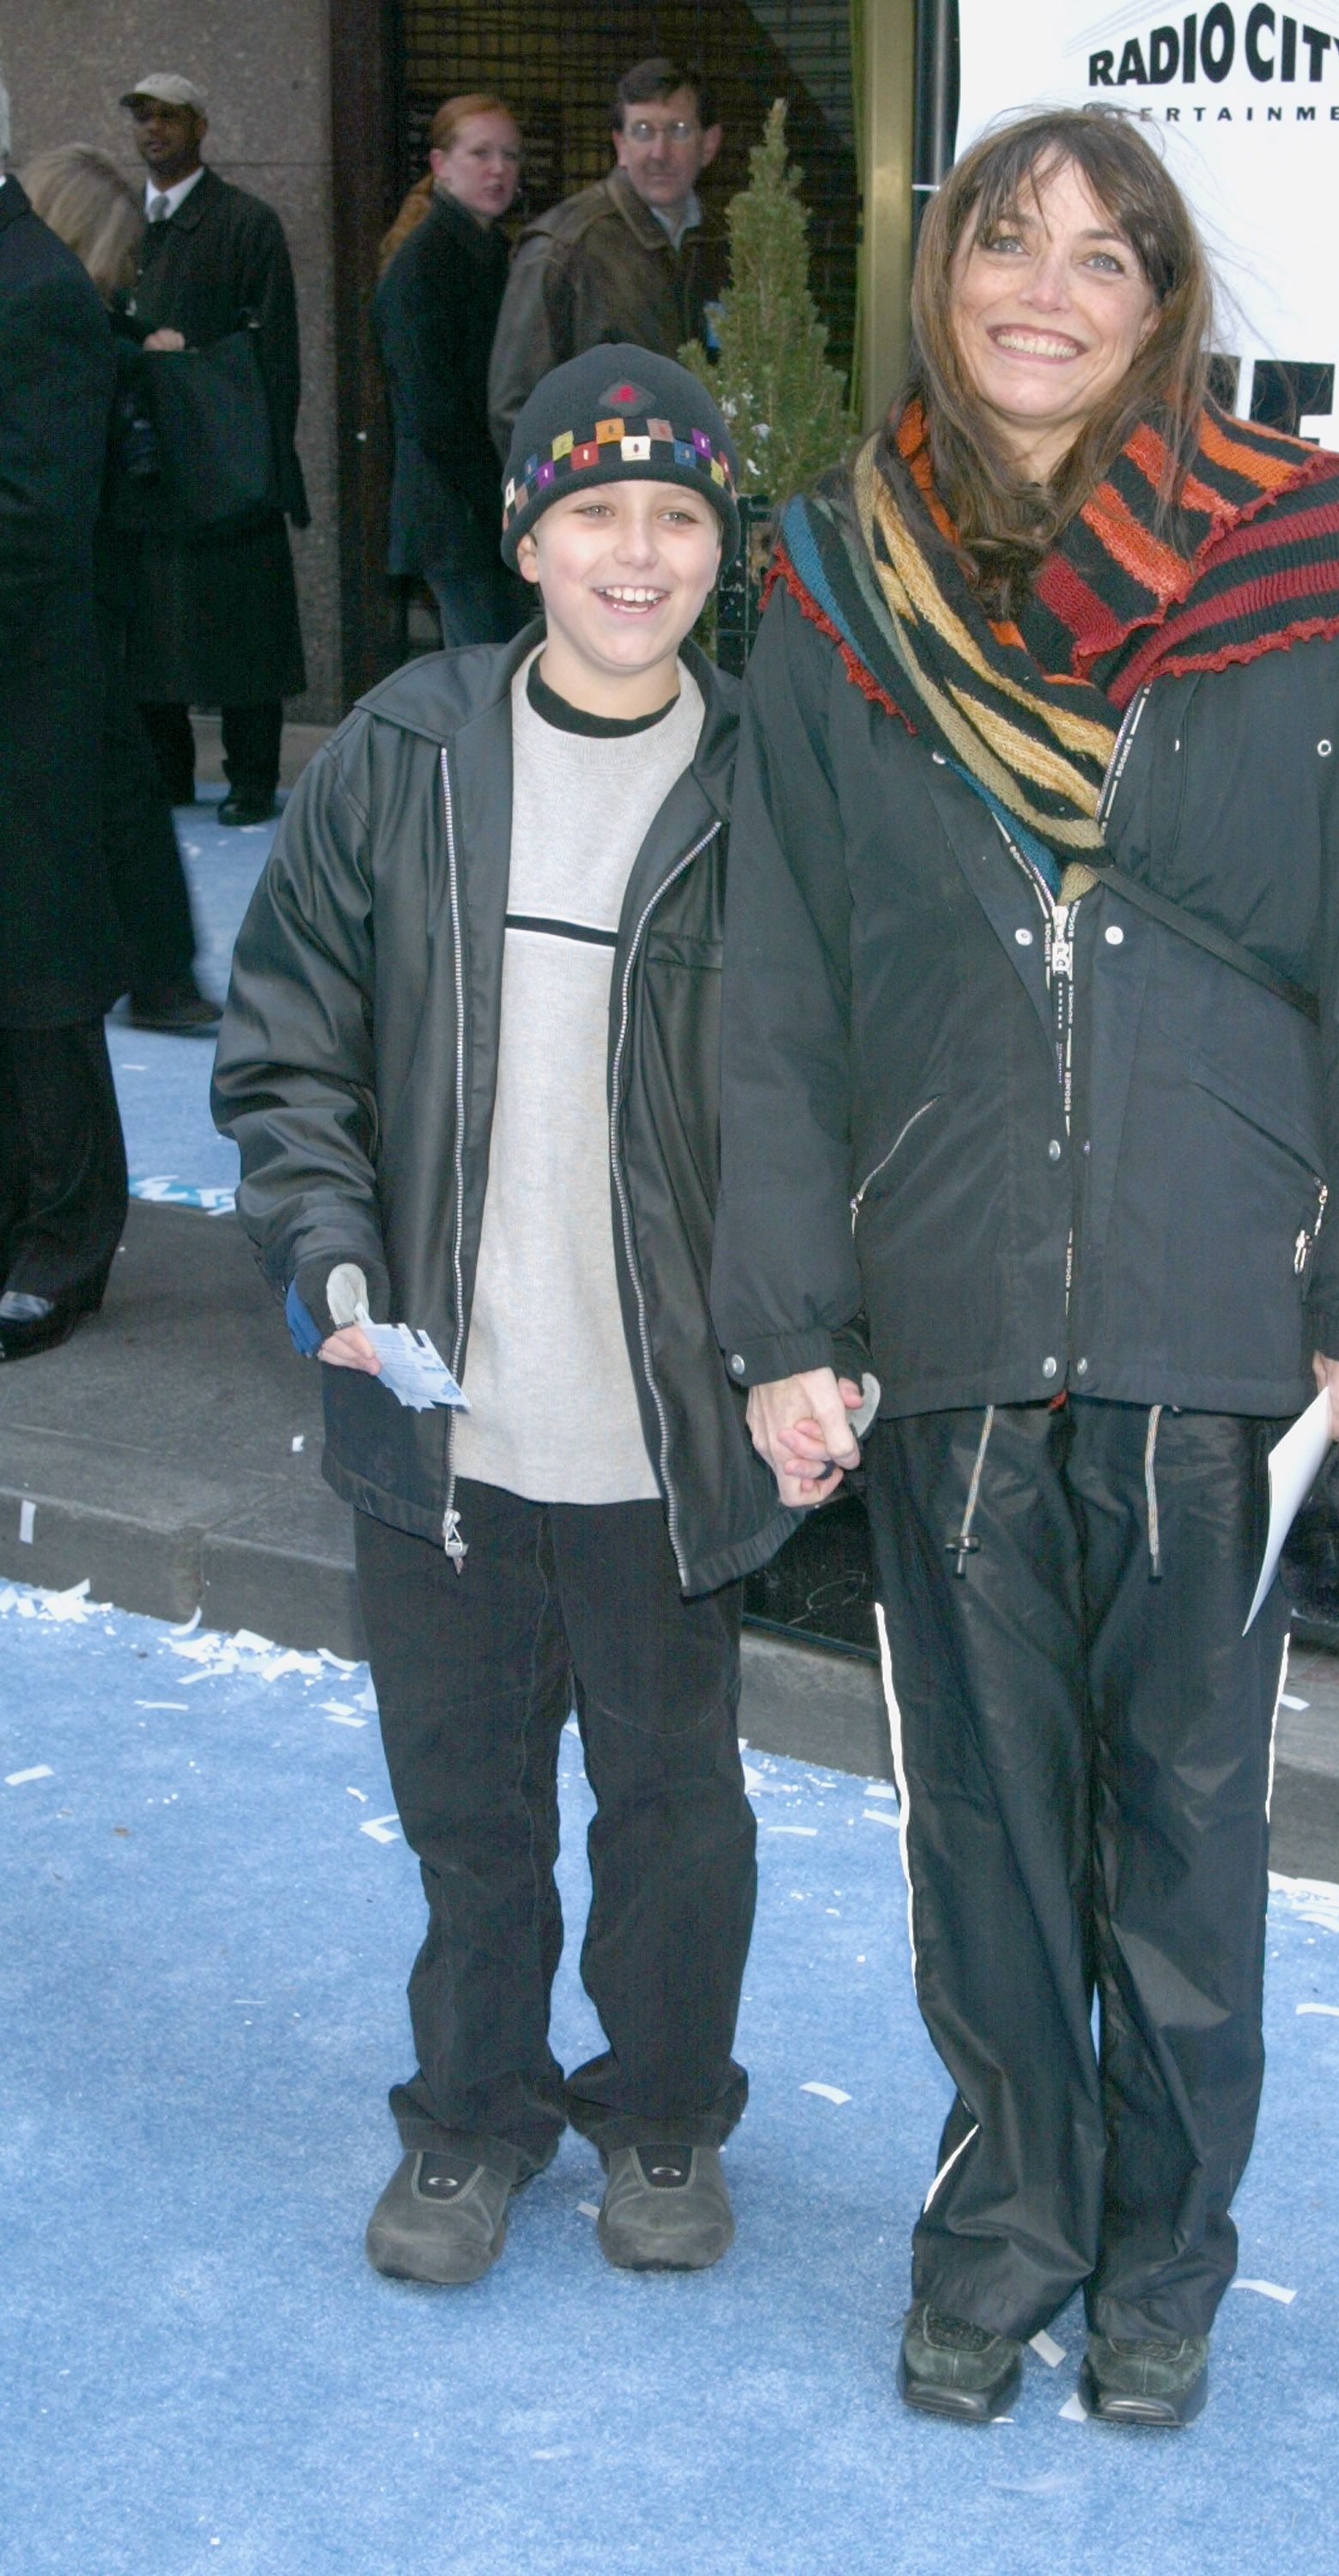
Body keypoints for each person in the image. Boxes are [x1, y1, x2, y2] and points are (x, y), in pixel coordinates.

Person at [710, 109, 1339, 2427]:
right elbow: (774, 985)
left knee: (1179, 1836)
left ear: (1163, 312)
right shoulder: (832, 586)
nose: (1043, 293)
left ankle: (1162, 2258)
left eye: (1104, 260)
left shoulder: (1289, 569)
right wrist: (787, 1319)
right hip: (941, 1315)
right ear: (942, 275)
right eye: (1004, 246)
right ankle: (1007, 2226)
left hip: (1209, 1326)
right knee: (978, 1842)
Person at [212, 347, 794, 2287]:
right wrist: (327, 1252)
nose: (636, 553)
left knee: (670, 1821)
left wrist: (815, 1334)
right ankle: (467, 2118)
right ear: (527, 533)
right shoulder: (407, 748)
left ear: (724, 547)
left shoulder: (778, 785)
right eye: (596, 511)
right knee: (468, 1819)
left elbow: (852, 1103)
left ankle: (660, 2112)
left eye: (679, 515)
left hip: (662, 1438)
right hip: (437, 1423)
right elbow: (288, 1042)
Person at [20, 143, 218, 1034]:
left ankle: (154, 972)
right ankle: (158, 975)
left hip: (71, 605)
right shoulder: (62, 325)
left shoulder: (71, 322)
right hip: (71, 607)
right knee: (116, 793)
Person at [0, 78, 131, 1362]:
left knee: (38, 984)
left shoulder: (36, 287)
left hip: (26, 699)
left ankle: (65, 1244)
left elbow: (34, 523)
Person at [122, 72, 307, 828]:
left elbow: (277, 355)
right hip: (147, 465)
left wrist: (193, 371)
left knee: (242, 631)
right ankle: (166, 775)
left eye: (167, 117)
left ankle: (252, 778)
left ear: (200, 126)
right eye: (141, 118)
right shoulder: (124, 222)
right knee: (151, 632)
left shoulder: (244, 222)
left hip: (229, 460)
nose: (153, 131)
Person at [487, 59, 722, 459]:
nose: (659, 152)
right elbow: (516, 411)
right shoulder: (563, 247)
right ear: (620, 145)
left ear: (710, 144)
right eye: (642, 131)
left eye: (678, 131)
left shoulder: (730, 245)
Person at [374, 94, 524, 649]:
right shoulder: (427, 261)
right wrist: (500, 495)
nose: (499, 169)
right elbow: (433, 409)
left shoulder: (485, 250)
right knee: (485, 674)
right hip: (456, 510)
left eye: (510, 156)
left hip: (474, 506)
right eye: (481, 153)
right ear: (440, 164)